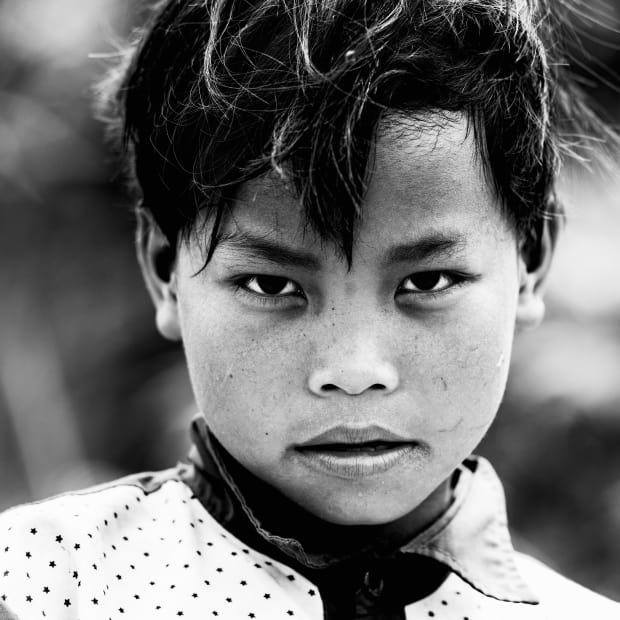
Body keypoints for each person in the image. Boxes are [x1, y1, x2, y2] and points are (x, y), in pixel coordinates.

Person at [0, 0, 618, 618]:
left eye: (427, 281)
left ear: (530, 261)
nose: (354, 371)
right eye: (271, 286)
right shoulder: (40, 586)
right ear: (165, 271)